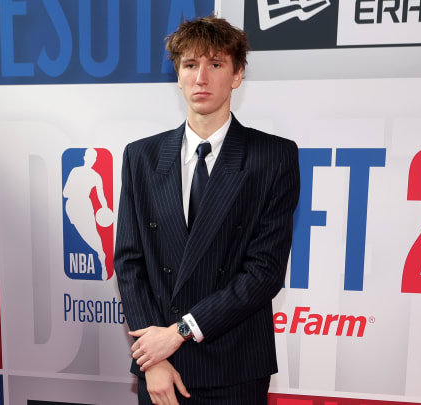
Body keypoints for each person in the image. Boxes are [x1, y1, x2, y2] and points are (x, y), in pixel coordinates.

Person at [114, 15, 300, 405]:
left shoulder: (273, 156)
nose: (201, 78)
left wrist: (177, 333)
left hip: (234, 365)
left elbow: (264, 273)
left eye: (215, 65)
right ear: (178, 76)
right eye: (190, 65)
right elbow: (130, 265)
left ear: (237, 75)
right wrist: (153, 359)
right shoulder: (141, 157)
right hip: (160, 369)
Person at [63, 148, 111, 280]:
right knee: (85, 234)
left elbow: (101, 196)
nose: (91, 160)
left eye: (93, 158)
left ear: (95, 160)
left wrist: (105, 209)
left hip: (85, 206)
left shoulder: (96, 176)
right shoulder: (76, 171)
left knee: (92, 233)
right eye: (90, 157)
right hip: (72, 207)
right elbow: (65, 192)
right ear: (85, 157)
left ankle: (102, 257)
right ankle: (101, 254)